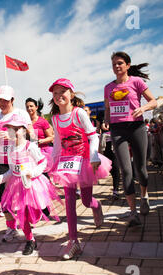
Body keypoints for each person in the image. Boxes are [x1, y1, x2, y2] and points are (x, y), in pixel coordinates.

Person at [48, 78, 111, 260]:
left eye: (63, 92)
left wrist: (93, 157)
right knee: (69, 200)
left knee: (85, 201)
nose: (59, 96)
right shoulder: (55, 118)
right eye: (55, 93)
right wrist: (53, 164)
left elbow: (93, 136)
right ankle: (73, 242)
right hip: (67, 163)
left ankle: (96, 206)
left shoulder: (79, 114)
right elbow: (58, 144)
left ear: (71, 94)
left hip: (84, 162)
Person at [0, 114, 62, 255]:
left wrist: (33, 172)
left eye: (16, 129)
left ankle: (43, 210)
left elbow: (43, 163)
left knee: (36, 211)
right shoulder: (11, 150)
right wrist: (0, 178)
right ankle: (30, 240)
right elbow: (12, 171)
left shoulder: (30, 147)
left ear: (24, 130)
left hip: (33, 184)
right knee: (22, 215)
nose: (13, 132)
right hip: (17, 186)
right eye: (10, 130)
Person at [103, 51, 157, 227]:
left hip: (137, 127)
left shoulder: (137, 82)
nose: (117, 66)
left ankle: (144, 195)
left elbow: (154, 101)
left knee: (140, 168)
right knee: (126, 170)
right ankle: (133, 213)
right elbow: (108, 109)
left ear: (127, 65)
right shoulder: (108, 87)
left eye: (120, 63)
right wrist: (105, 121)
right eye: (114, 64)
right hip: (118, 130)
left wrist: (143, 108)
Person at [0, 85, 35, 242]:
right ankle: (11, 227)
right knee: (3, 196)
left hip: (20, 158)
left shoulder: (21, 114)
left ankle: (29, 220)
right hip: (2, 160)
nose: (2, 103)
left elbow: (32, 135)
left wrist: (12, 136)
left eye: (6, 100)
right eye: (0, 100)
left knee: (25, 192)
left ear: (13, 99)